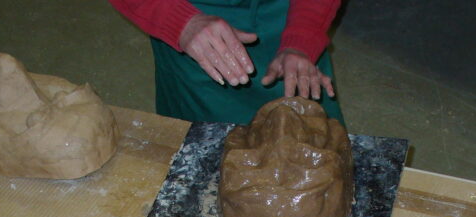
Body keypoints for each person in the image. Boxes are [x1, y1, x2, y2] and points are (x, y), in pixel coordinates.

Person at [107, 0, 343, 125]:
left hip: (288, 10)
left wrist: (303, 37)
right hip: (191, 13)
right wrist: (178, 21)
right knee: (206, 157)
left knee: (315, 135)